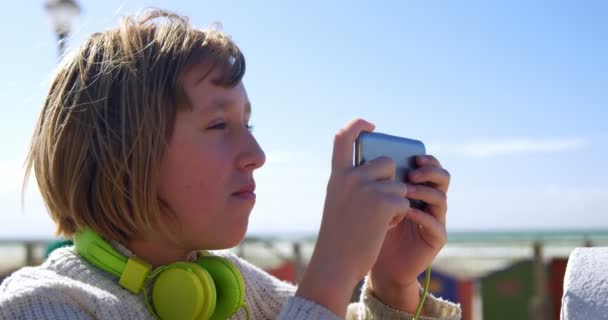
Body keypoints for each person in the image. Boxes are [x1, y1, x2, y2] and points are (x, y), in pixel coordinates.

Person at [0, 9, 461, 320]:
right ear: (119, 152)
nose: (256, 156)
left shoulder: (239, 288)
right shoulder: (41, 304)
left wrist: (392, 285)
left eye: (250, 125)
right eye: (219, 125)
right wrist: (334, 270)